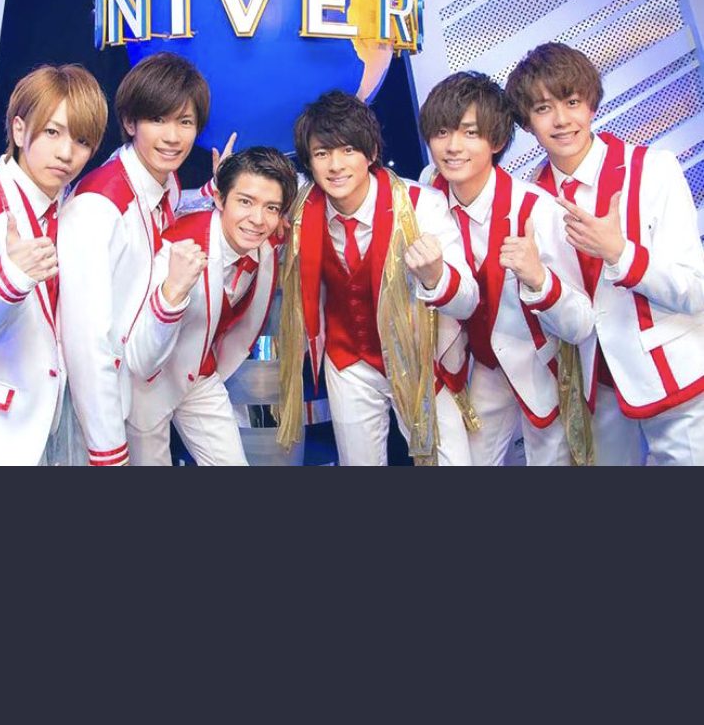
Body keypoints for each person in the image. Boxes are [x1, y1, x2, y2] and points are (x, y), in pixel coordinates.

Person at [505, 42, 704, 466]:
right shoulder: (531, 203)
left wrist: (620, 254)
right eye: (543, 108)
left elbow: (694, 289)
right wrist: (538, 283)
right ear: (527, 121)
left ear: (591, 104)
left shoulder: (653, 169)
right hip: (599, 389)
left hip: (677, 379)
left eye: (572, 102)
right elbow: (574, 324)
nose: (562, 120)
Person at [278, 91, 478, 467]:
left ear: (371, 153)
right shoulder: (301, 210)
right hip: (348, 359)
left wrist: (436, 276)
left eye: (348, 150)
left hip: (418, 356)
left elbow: (468, 300)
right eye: (322, 153)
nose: (335, 165)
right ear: (308, 161)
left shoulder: (420, 205)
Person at [418, 72, 595, 467]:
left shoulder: (537, 209)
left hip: (543, 367)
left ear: (496, 142)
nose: (452, 147)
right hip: (480, 367)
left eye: (470, 133)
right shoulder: (428, 199)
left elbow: (581, 322)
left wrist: (538, 278)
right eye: (442, 132)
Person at [59, 52, 210, 467]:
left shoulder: (166, 182)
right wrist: (108, 451)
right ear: (129, 122)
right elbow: (86, 341)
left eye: (185, 122)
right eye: (157, 120)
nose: (173, 137)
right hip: (90, 411)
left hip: (137, 388)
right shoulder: (99, 206)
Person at [0, 65, 108, 466]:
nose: (66, 153)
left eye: (82, 140)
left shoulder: (66, 209)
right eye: (52, 132)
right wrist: (5, 280)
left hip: (40, 433)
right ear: (20, 130)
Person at [124, 147, 298, 465]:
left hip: (199, 374)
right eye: (245, 202)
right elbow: (139, 357)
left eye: (271, 207)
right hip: (146, 384)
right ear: (219, 199)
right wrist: (172, 294)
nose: (258, 219)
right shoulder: (175, 248)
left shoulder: (264, 245)